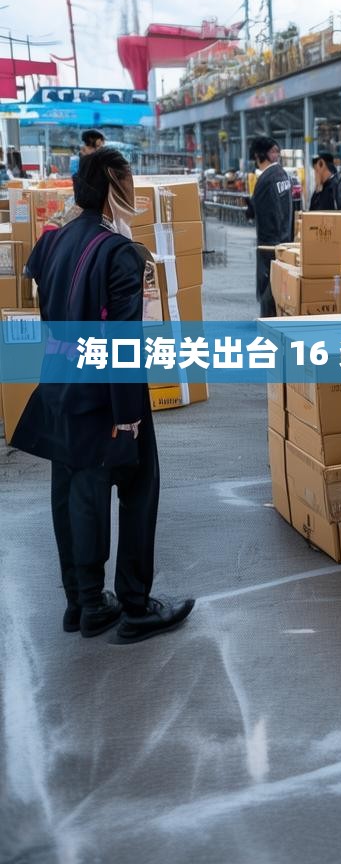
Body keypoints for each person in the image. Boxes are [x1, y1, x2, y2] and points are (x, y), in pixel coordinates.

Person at [11, 148, 194, 643]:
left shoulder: (51, 242)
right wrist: (129, 415)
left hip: (59, 388)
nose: (134, 190)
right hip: (106, 395)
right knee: (138, 491)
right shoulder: (119, 253)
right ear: (114, 184)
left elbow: (50, 322)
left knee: (73, 492)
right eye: (129, 180)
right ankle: (134, 606)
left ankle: (84, 603)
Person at [246, 136, 292, 317]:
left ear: (258, 156)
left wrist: (250, 206)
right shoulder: (283, 175)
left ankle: (268, 322)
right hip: (285, 240)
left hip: (269, 244)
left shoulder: (265, 180)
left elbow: (259, 212)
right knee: (282, 289)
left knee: (268, 290)